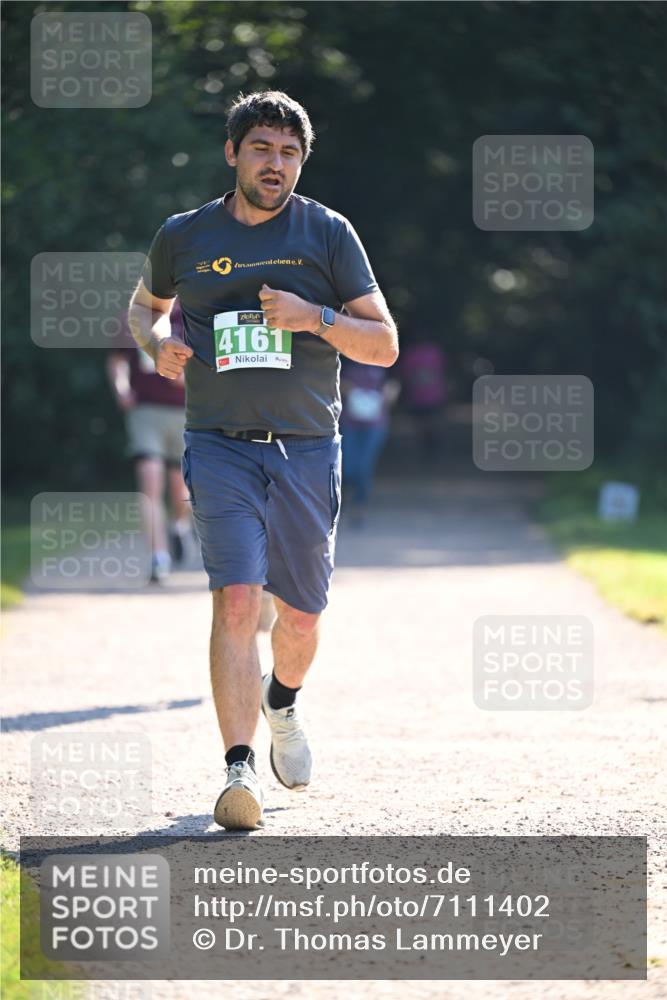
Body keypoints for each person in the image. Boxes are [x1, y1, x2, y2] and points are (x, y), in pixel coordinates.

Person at [128, 90, 398, 830]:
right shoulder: (183, 234)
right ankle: (236, 770)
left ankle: (283, 702)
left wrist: (314, 317)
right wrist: (159, 343)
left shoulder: (328, 233)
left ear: (300, 163)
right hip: (218, 445)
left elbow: (383, 344)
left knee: (302, 620)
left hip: (308, 449)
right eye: (262, 148)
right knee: (237, 601)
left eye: (288, 152)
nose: (275, 163)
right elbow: (143, 306)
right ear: (232, 153)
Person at [106, 300, 196, 582]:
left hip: (184, 412)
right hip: (145, 412)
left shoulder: (194, 316)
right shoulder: (132, 318)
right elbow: (116, 360)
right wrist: (122, 390)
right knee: (150, 482)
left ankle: (179, 526)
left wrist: (184, 377)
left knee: (180, 486)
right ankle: (159, 558)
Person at [340, 358, 400, 526]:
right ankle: (341, 501)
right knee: (347, 466)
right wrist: (350, 390)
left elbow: (393, 385)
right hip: (349, 421)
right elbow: (333, 380)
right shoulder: (346, 357)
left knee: (364, 467)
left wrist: (387, 396)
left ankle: (360, 508)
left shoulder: (387, 356)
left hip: (376, 423)